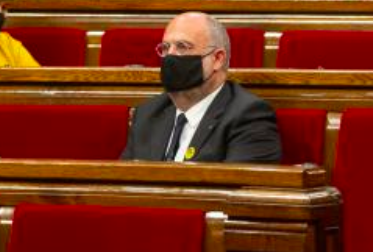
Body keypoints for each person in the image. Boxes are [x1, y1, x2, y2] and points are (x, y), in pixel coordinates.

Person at [120, 12, 281, 163]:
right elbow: (123, 183)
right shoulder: (148, 114)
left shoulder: (248, 117)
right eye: (165, 48)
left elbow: (241, 189)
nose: (170, 56)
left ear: (217, 59)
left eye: (182, 47)